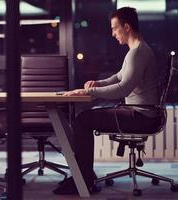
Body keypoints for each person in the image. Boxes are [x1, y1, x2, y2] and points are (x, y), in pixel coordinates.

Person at [53, 7, 163, 195]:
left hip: (141, 116)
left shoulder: (137, 53)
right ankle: (85, 175)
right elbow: (119, 77)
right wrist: (96, 84)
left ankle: (84, 179)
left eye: (114, 28)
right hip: (143, 113)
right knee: (84, 118)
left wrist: (91, 91)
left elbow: (123, 88)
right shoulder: (138, 51)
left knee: (83, 120)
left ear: (126, 27)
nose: (112, 34)